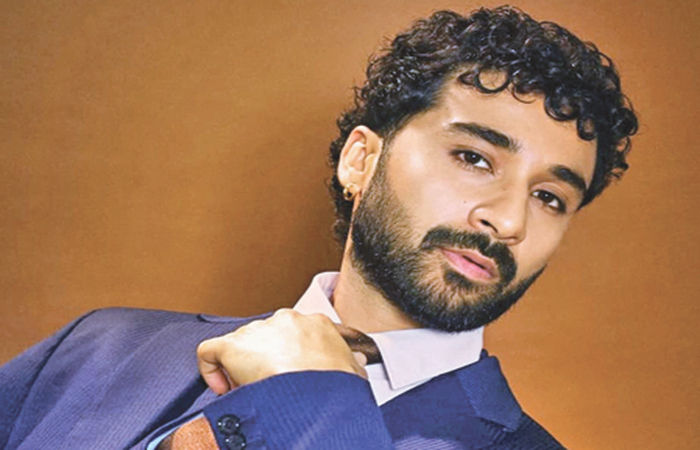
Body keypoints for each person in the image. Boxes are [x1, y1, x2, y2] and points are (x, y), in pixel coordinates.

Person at [0, 6, 637, 449]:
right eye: (473, 158)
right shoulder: (98, 349)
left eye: (550, 197)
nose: (508, 219)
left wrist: (312, 399)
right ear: (361, 160)